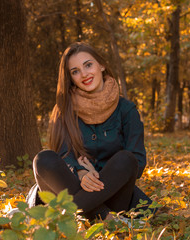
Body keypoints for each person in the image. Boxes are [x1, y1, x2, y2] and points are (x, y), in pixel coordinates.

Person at [32, 42, 151, 221]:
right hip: (73, 187)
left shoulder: (127, 110)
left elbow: (138, 161)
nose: (84, 74)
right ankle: (105, 218)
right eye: (75, 71)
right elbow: (64, 153)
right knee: (43, 159)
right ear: (71, 77)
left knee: (126, 159)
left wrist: (95, 173)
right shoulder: (64, 110)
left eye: (88, 65)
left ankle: (67, 214)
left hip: (115, 194)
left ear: (101, 65)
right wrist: (80, 171)